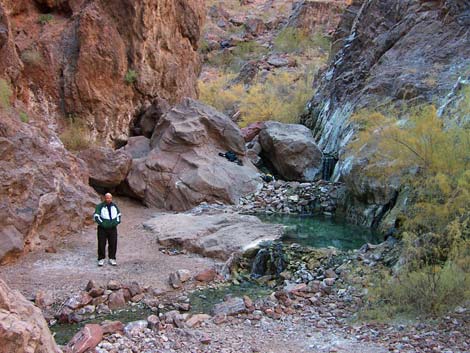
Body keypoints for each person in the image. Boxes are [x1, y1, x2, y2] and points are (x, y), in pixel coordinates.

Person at [93, 193, 121, 266]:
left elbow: (119, 215)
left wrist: (116, 222)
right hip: (102, 228)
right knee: (101, 243)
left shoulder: (114, 206)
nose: (108, 199)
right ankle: (101, 258)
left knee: (113, 243)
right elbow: (96, 216)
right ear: (104, 198)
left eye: (110, 198)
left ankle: (112, 258)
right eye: (107, 198)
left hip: (113, 228)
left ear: (111, 198)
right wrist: (103, 224)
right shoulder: (100, 206)